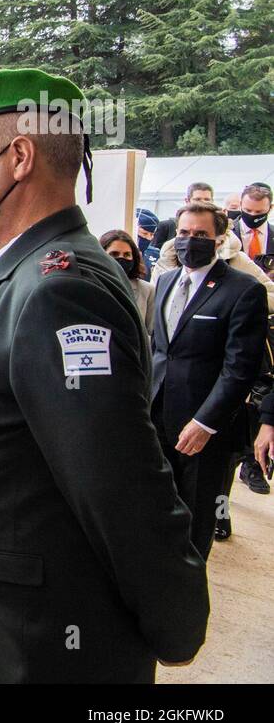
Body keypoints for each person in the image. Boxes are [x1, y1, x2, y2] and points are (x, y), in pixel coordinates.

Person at [0, 68, 208, 682]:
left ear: (18, 157)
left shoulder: (61, 290)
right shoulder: (0, 274)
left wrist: (174, 621)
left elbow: (118, 483)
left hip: (38, 639)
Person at [150, 201, 267, 559]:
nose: (190, 241)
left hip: (204, 433)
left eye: (201, 234)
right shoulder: (166, 282)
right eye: (184, 233)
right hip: (157, 424)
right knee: (155, 521)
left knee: (194, 528)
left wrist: (205, 423)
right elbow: (158, 352)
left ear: (219, 239)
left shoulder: (242, 290)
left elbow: (240, 369)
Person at [101, 228, 154, 331]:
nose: (121, 259)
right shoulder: (92, 285)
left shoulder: (147, 290)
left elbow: (151, 332)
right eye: (114, 254)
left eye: (127, 255)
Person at [152, 182, 213, 248]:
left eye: (207, 200)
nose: (203, 203)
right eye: (197, 199)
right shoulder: (166, 227)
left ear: (212, 201)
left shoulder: (216, 227)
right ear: (187, 201)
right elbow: (154, 255)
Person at [231, 183, 274, 268]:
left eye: (259, 212)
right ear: (240, 204)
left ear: (270, 208)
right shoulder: (225, 233)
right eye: (248, 210)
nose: (252, 215)